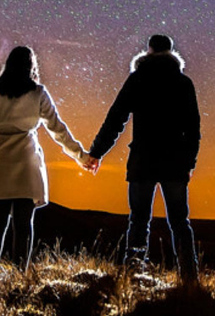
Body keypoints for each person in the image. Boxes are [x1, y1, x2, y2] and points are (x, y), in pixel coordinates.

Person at [86, 34, 201, 283]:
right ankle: (190, 279)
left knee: (138, 220)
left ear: (148, 51)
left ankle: (134, 275)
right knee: (180, 221)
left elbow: (116, 119)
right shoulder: (183, 83)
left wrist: (96, 152)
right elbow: (193, 128)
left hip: (143, 160)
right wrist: (189, 162)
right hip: (174, 163)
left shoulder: (137, 79)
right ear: (171, 52)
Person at [0, 45, 91, 281]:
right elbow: (57, 129)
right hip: (27, 161)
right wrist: (80, 155)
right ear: (31, 66)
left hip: (0, 162)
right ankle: (21, 277)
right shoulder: (38, 93)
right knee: (23, 224)